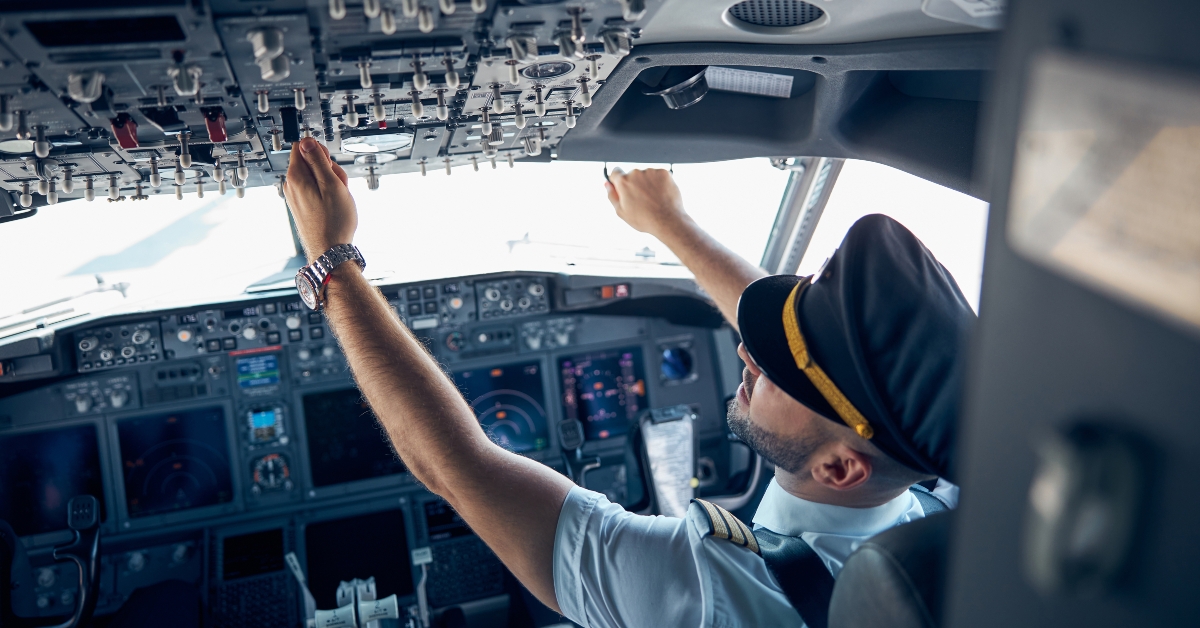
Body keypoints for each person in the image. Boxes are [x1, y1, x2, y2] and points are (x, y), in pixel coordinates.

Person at [282, 139, 975, 628]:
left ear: (840, 465)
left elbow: (456, 467)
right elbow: (800, 356)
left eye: (775, 375)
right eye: (767, 349)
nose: (746, 354)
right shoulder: (937, 518)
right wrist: (668, 221)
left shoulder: (713, 596)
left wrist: (332, 263)